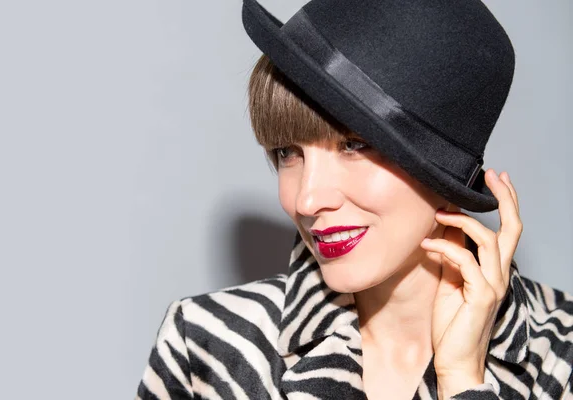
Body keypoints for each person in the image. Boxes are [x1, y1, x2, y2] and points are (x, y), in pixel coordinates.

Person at [135, 0, 573, 399]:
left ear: (442, 174)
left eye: (355, 145)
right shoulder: (206, 347)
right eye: (288, 153)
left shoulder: (562, 358)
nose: (306, 200)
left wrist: (461, 378)